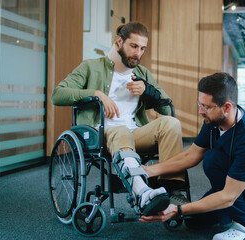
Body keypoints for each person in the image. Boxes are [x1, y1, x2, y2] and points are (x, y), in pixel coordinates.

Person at [51, 22, 186, 216]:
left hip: (135, 132)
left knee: (171, 123)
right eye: (133, 46)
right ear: (119, 42)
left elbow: (166, 107)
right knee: (120, 129)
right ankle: (142, 192)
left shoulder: (142, 73)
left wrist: (148, 91)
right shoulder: (91, 66)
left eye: (142, 48)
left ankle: (173, 192)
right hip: (101, 134)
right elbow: (57, 94)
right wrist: (96, 93)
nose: (137, 53)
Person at [140, 73, 245, 240]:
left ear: (227, 107)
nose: (200, 111)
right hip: (239, 180)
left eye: (206, 106)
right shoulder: (214, 121)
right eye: (199, 104)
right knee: (194, 221)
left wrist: (178, 210)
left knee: (213, 160)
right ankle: (235, 211)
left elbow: (228, 196)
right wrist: (147, 171)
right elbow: (191, 156)